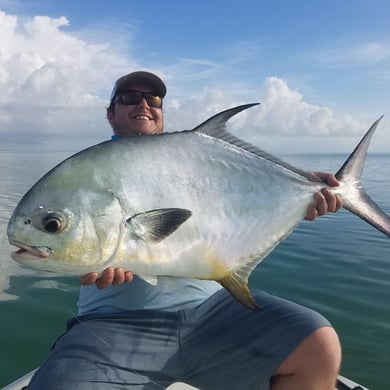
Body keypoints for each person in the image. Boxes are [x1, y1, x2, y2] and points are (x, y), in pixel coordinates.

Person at [28, 71, 342, 390]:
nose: (144, 104)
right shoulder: (87, 175)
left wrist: (301, 188)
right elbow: (83, 243)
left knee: (317, 345)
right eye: (129, 98)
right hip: (115, 323)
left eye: (154, 100)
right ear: (110, 113)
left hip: (212, 313)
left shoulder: (196, 162)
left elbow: (242, 195)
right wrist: (87, 266)